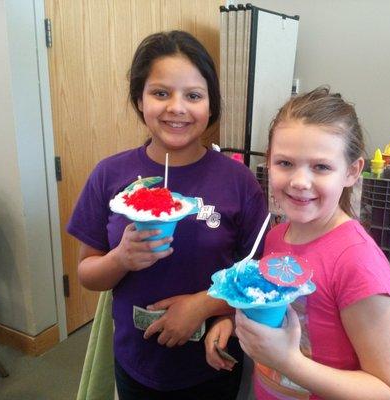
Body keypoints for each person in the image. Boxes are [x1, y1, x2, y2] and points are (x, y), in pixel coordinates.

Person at [67, 30, 268, 399]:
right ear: (140, 100)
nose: (177, 107)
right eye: (161, 93)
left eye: (193, 95)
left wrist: (205, 305)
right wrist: (121, 259)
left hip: (212, 362)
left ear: (211, 106)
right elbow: (87, 275)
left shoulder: (239, 182)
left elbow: (260, 276)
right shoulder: (110, 175)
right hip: (135, 361)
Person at [205, 87, 390, 399]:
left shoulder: (358, 263)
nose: (299, 181)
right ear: (268, 162)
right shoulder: (275, 237)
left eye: (321, 167)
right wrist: (232, 318)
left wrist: (289, 362)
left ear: (352, 171)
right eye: (285, 163)